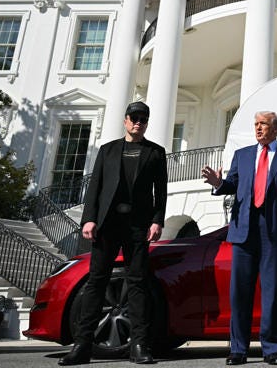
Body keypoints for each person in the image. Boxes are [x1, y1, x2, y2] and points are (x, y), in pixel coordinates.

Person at [59, 101, 167, 366]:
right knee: (96, 281)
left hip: (138, 226)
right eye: (134, 117)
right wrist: (89, 219)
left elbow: (160, 192)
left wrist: (157, 221)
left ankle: (140, 345)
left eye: (144, 118)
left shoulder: (155, 152)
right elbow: (94, 187)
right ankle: (82, 345)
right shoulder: (108, 150)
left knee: (138, 282)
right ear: (125, 120)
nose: (138, 122)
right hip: (107, 224)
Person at [202, 111, 277, 366]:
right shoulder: (243, 155)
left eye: (263, 124)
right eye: (256, 124)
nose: (258, 128)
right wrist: (218, 183)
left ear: (275, 129)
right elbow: (232, 185)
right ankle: (238, 349)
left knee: (271, 291)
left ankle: (272, 349)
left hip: (273, 231)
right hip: (244, 228)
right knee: (240, 292)